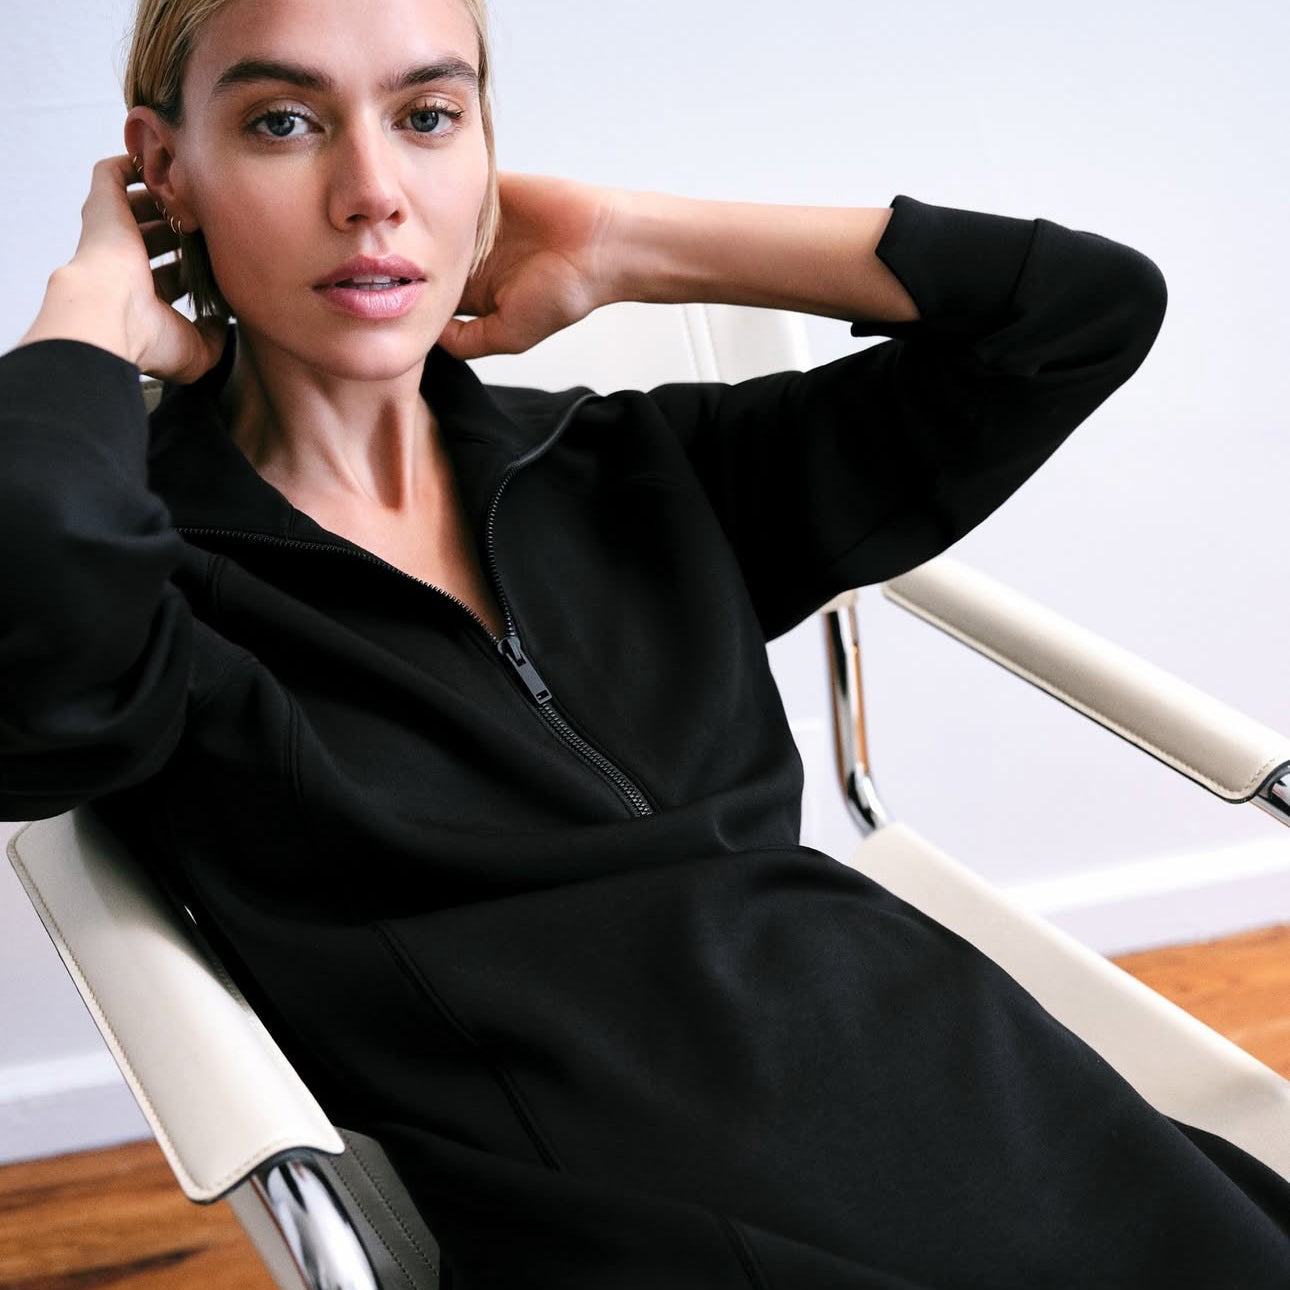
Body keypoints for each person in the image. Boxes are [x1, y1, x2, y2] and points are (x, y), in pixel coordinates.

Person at [4, 0, 1289, 1285]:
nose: (373, 193)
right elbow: (29, 655)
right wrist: (93, 305)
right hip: (636, 1207)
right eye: (284, 123)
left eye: (428, 117)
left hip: (958, 1078)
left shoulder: (636, 464)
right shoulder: (150, 575)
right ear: (163, 170)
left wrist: (628, 241)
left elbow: (1083, 311)